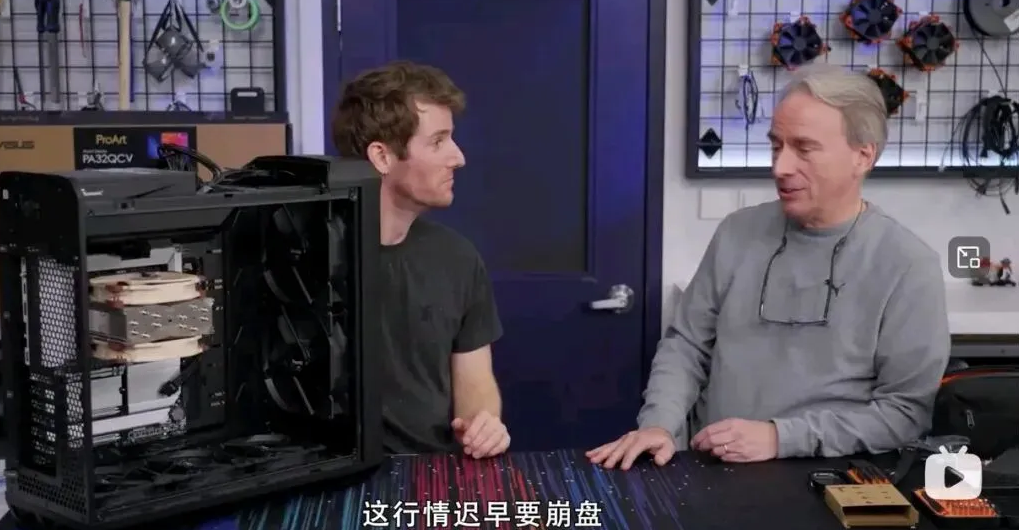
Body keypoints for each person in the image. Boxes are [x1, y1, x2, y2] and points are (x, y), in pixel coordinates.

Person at [588, 64, 950, 470]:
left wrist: (781, 438)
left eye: (804, 149)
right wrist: (659, 424)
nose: (780, 167)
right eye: (776, 146)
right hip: (717, 473)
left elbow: (905, 413)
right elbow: (686, 346)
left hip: (833, 481)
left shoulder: (907, 265)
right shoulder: (737, 233)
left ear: (862, 156)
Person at [331, 60, 510, 458]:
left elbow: (476, 384)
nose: (458, 157)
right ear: (382, 156)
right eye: (438, 141)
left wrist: (483, 425)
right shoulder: (306, 264)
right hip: (333, 478)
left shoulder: (458, 258)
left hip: (434, 472)